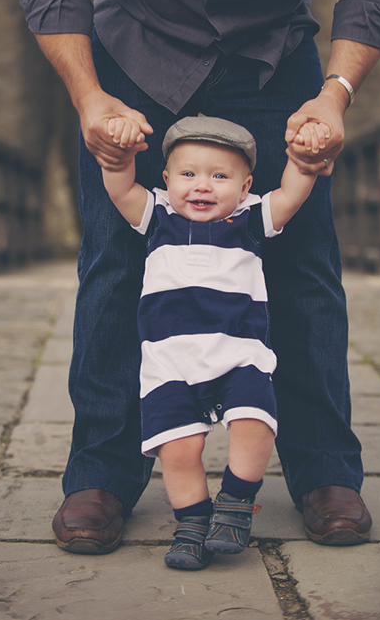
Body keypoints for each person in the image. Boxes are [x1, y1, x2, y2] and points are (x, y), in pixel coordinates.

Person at [20, 0, 380, 553]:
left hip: (274, 54)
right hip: (133, 51)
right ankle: (100, 471)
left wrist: (336, 94)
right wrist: (88, 96)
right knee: (114, 260)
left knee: (304, 265)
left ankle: (326, 467)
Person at [102, 115, 330, 569]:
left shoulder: (249, 218)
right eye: (188, 174)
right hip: (170, 362)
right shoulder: (158, 215)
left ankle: (236, 501)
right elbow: (121, 191)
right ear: (167, 180)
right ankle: (191, 523)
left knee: (255, 422)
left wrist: (303, 163)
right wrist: (119, 159)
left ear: (245, 188)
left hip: (239, 355)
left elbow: (290, 195)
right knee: (178, 448)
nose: (202, 186)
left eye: (220, 177)